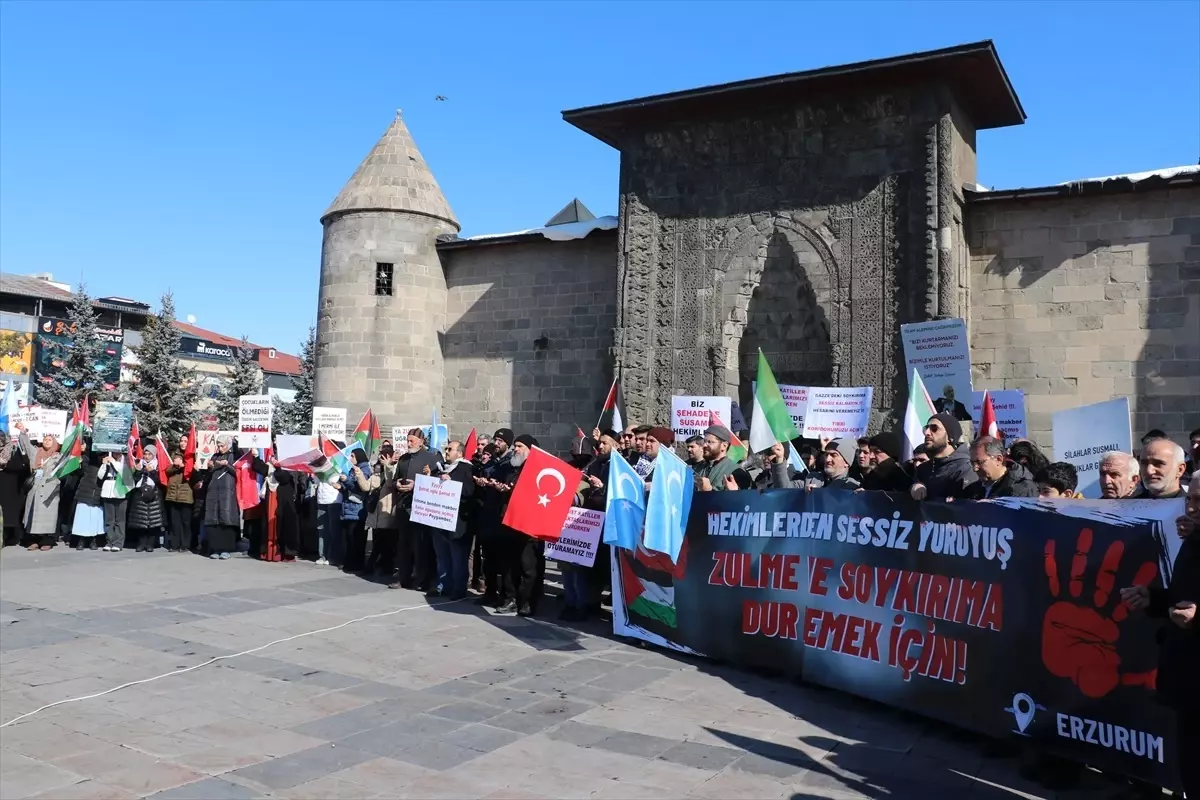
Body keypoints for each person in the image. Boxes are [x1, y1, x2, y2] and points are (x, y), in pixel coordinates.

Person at [1120, 479, 1199, 798]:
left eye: (1199, 500)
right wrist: (1152, 599)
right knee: (1192, 766)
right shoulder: (1193, 541)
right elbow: (1183, 598)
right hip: (1187, 677)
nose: (1191, 506)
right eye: (1190, 498)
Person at [392, 428, 441, 590]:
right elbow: (394, 479)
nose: (408, 443)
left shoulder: (432, 458)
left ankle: (422, 579)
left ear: (421, 442)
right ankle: (403, 577)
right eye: (407, 440)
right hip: (403, 507)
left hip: (421, 509)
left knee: (421, 545)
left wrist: (416, 485)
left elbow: (436, 484)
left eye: (412, 440)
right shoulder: (404, 459)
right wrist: (397, 484)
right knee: (403, 544)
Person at [470, 430, 515, 605]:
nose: (496, 443)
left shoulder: (510, 464)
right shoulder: (491, 464)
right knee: (488, 559)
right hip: (487, 517)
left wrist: (501, 487)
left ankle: (506, 595)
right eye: (495, 439)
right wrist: (482, 483)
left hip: (502, 518)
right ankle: (490, 592)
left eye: (500, 440)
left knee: (504, 561)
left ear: (507, 444)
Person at [502, 434, 544, 617]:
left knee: (529, 567)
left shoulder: (538, 470)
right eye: (515, 446)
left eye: (519, 446)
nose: (515, 449)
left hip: (530, 527)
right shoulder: (513, 468)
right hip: (511, 524)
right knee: (511, 565)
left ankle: (527, 602)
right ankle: (510, 599)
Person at [430, 439, 475, 600]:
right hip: (439, 520)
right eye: (446, 448)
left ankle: (459, 588)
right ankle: (443, 586)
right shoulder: (439, 468)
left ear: (460, 453)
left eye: (450, 449)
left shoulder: (466, 469)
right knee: (442, 556)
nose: (446, 451)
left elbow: (470, 491)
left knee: (458, 557)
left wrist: (452, 483)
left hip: (458, 523)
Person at [910, 414, 978, 501]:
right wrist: (915, 485)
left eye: (934, 428)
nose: (926, 433)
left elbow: (970, 507)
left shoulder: (966, 469)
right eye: (926, 428)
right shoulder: (923, 469)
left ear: (950, 437)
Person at [19, 430, 63, 550]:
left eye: (50, 440)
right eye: (45, 439)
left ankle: (47, 540)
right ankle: (33, 540)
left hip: (50, 487)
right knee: (33, 514)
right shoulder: (36, 452)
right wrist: (23, 432)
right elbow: (26, 445)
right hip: (35, 486)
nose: (46, 441)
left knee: (48, 516)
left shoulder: (58, 456)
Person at [365, 445, 401, 577]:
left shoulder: (396, 468)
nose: (382, 458)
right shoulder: (377, 471)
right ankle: (377, 565)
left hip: (389, 510)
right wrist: (358, 474)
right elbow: (366, 486)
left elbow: (391, 482)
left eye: (385, 456)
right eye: (381, 456)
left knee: (388, 542)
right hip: (378, 511)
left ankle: (382, 565)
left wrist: (388, 466)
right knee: (380, 541)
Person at [963, 437, 1038, 500]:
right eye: (972, 462)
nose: (975, 468)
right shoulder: (974, 489)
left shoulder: (1022, 490)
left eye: (979, 462)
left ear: (998, 459)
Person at [202, 436, 239, 559]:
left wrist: (227, 465)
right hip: (213, 492)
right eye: (218, 445)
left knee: (226, 519)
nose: (219, 448)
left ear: (228, 445)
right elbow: (208, 475)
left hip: (228, 493)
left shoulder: (234, 456)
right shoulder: (215, 456)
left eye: (222, 445)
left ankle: (226, 549)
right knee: (214, 520)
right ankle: (215, 548)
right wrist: (209, 467)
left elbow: (238, 472)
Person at [65, 443, 103, 550]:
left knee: (95, 518)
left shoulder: (106, 459)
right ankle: (81, 540)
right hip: (85, 491)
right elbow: (78, 472)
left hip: (98, 492)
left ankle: (93, 540)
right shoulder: (86, 458)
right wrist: (79, 462)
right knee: (82, 518)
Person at [127, 444, 164, 553]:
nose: (147, 457)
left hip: (153, 495)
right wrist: (138, 471)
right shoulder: (139, 464)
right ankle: (141, 543)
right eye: (145, 454)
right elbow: (134, 480)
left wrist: (152, 472)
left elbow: (160, 481)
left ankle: (150, 544)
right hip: (140, 494)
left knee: (152, 521)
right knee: (141, 521)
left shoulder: (158, 465)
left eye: (149, 454)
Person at [341, 450, 372, 573]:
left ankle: (357, 563)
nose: (351, 458)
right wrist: (341, 485)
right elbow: (349, 487)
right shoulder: (353, 468)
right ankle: (350, 562)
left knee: (356, 538)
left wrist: (346, 481)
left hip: (358, 509)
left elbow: (360, 488)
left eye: (353, 456)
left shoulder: (364, 470)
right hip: (349, 506)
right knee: (350, 537)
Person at [164, 443, 196, 552]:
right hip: (173, 494)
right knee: (174, 521)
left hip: (186, 494)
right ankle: (174, 544)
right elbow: (167, 471)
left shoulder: (192, 456)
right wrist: (175, 466)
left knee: (186, 521)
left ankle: (185, 544)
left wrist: (184, 466)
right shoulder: (174, 455)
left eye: (186, 441)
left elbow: (194, 474)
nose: (183, 443)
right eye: (181, 440)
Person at [0, 430, 30, 547]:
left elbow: (21, 467)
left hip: (11, 488)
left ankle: (11, 536)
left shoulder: (13, 450)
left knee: (10, 515)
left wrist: (5, 464)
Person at [313, 452, 342, 566]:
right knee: (322, 529)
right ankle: (322, 555)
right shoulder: (319, 461)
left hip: (333, 499)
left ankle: (333, 556)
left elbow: (334, 479)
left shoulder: (337, 461)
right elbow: (316, 481)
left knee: (333, 529)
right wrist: (317, 472)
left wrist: (325, 473)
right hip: (321, 499)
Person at [96, 449, 128, 552]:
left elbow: (123, 473)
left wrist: (113, 462)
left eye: (118, 452)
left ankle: (118, 542)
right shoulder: (108, 459)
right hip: (108, 489)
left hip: (120, 490)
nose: (116, 454)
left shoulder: (126, 460)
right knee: (109, 519)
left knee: (120, 519)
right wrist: (104, 465)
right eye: (114, 452)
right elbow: (100, 476)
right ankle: (109, 541)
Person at [694, 425, 738, 491]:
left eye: (709, 442)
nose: (705, 445)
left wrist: (710, 490)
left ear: (724, 446)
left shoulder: (736, 471)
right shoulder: (698, 467)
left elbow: (739, 499)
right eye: (704, 441)